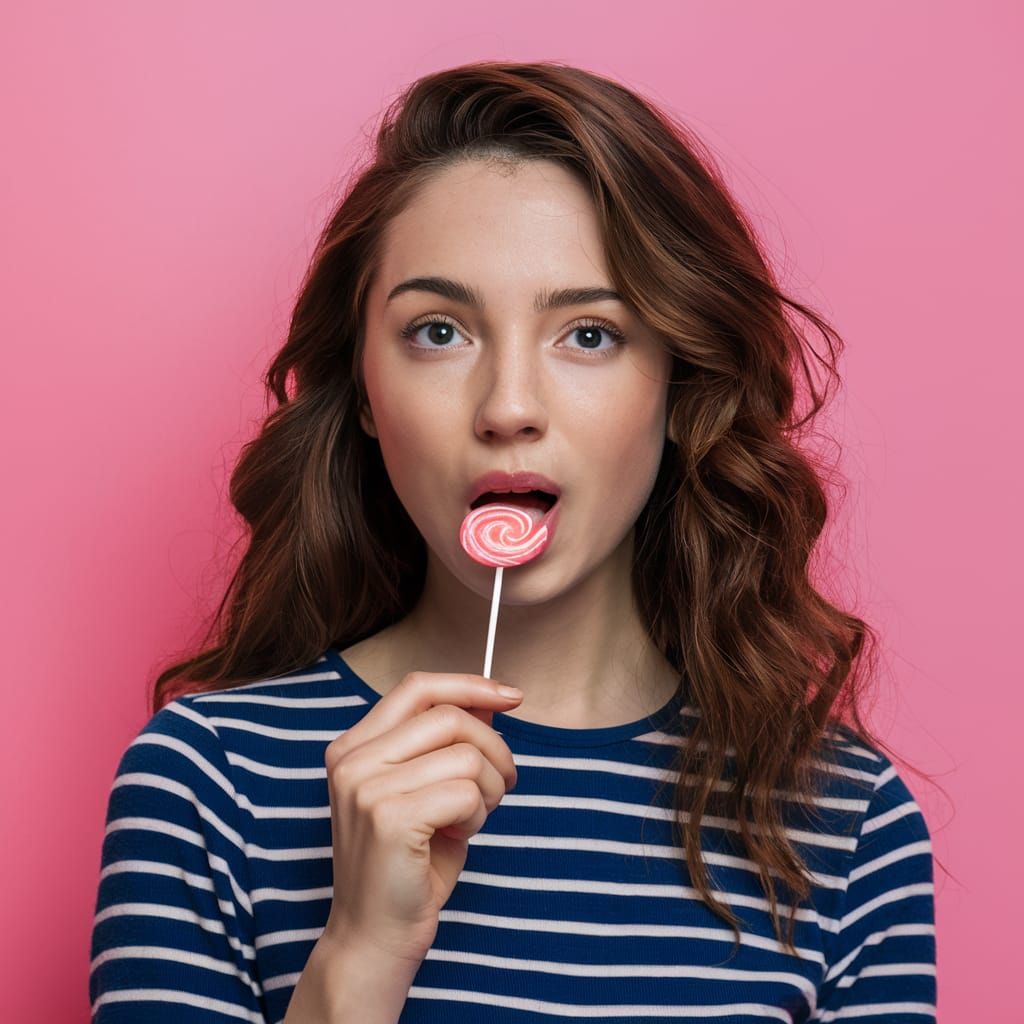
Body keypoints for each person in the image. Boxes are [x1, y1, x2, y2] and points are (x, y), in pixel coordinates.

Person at [89, 61, 938, 1023]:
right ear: (364, 389)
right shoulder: (209, 782)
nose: (508, 408)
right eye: (439, 331)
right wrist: (361, 953)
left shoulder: (843, 821)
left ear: (678, 385)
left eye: (589, 335)